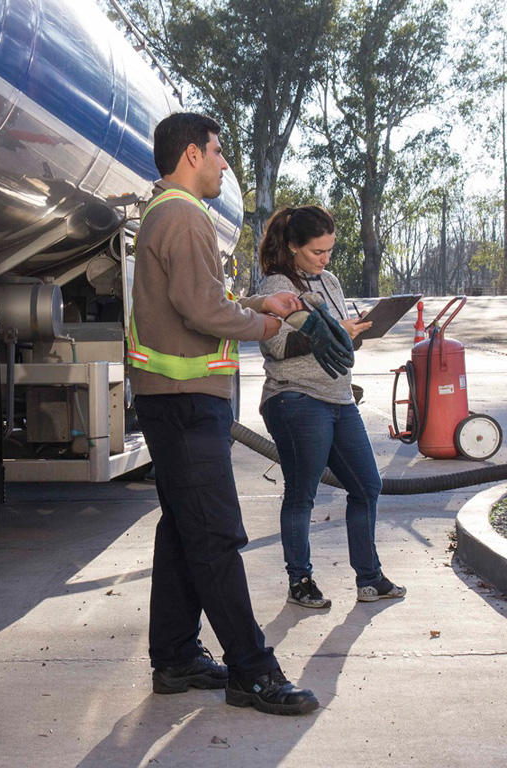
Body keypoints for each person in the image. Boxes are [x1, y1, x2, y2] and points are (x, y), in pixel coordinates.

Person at [128, 112, 323, 715]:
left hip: (172, 400)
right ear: (191, 154)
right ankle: (251, 669)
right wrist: (266, 323)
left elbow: (202, 298)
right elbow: (201, 311)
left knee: (182, 529)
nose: (223, 164)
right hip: (185, 404)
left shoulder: (167, 214)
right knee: (213, 534)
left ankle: (177, 657)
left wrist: (263, 298)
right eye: (218, 152)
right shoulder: (184, 216)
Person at [258, 205, 407, 609]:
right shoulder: (276, 284)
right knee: (303, 494)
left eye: (329, 251)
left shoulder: (332, 282)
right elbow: (275, 346)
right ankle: (300, 582)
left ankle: (370, 579)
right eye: (316, 252)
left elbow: (338, 344)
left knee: (366, 486)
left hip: (340, 398)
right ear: (292, 247)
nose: (324, 260)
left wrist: (353, 333)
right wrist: (331, 332)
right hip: (296, 398)